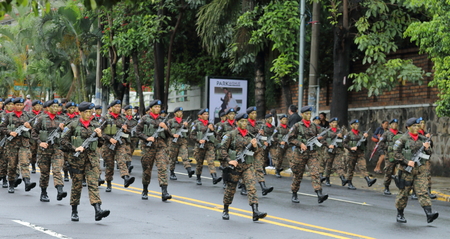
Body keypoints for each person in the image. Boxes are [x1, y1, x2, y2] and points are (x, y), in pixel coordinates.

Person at [60, 101, 110, 222]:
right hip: (77, 161)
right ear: (81, 112)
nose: (89, 114)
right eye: (87, 112)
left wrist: (99, 136)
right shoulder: (72, 125)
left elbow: (101, 144)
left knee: (93, 185)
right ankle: (74, 211)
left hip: (91, 160)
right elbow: (62, 141)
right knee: (77, 186)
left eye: (90, 112)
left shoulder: (95, 125)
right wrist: (74, 148)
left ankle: (98, 210)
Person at [220, 112, 267, 221]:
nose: (244, 123)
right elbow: (222, 149)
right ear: (237, 122)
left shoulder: (251, 136)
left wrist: (255, 146)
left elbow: (255, 153)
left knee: (252, 188)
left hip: (247, 166)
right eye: (242, 121)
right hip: (235, 167)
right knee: (230, 189)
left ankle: (255, 211)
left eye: (246, 121)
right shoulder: (231, 135)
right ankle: (225, 209)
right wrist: (229, 160)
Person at [393, 117, 438, 224]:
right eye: (414, 126)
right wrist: (406, 161)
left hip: (420, 170)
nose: (417, 128)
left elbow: (429, 154)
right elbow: (395, 153)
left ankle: (429, 214)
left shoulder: (423, 139)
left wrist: (427, 148)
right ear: (408, 127)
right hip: (406, 171)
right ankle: (400, 214)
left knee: (423, 192)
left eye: (418, 126)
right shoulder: (402, 139)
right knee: (404, 193)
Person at [287, 106, 328, 204]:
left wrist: (321, 138)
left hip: (312, 153)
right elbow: (290, 139)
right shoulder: (297, 126)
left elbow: (323, 135)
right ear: (302, 114)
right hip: (299, 154)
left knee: (315, 172)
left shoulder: (314, 126)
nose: (308, 115)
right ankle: (294, 193)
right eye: (306, 114)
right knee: (298, 175)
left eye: (310, 114)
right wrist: (300, 144)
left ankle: (319, 194)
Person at [136, 99, 172, 201]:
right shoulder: (144, 119)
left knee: (162, 168)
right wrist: (146, 138)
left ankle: (164, 192)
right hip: (148, 148)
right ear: (151, 108)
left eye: (159, 107)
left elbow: (170, 136)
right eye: (155, 107)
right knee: (147, 170)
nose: (157, 109)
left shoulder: (163, 120)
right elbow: (137, 132)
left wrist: (165, 128)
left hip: (160, 147)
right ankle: (145, 190)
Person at [32, 99, 67, 202]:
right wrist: (40, 142)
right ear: (47, 108)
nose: (56, 108)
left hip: (57, 149)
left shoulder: (62, 119)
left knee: (57, 170)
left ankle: (60, 190)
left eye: (57, 106)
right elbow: (33, 133)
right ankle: (43, 192)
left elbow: (67, 134)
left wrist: (63, 129)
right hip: (44, 149)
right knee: (44, 172)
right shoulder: (40, 119)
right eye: (53, 106)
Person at [0, 97, 37, 193]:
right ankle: (11, 184)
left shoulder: (27, 117)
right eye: (17, 105)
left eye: (21, 105)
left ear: (23, 106)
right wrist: (9, 132)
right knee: (12, 165)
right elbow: (2, 127)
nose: (19, 107)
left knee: (24, 163)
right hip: (11, 144)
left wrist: (29, 127)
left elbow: (34, 130)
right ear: (14, 106)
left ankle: (27, 182)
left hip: (24, 144)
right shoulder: (9, 116)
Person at [100, 100, 135, 192]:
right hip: (108, 145)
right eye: (115, 106)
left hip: (120, 144)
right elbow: (99, 131)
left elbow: (132, 131)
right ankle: (109, 183)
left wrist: (126, 129)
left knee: (122, 160)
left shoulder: (123, 119)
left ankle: (126, 177)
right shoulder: (105, 118)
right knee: (109, 164)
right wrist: (109, 138)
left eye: (119, 107)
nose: (117, 108)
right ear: (111, 108)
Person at [189, 108, 222, 186]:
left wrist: (213, 130)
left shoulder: (210, 124)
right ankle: (198, 177)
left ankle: (214, 177)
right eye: (204, 114)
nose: (206, 116)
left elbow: (217, 136)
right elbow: (191, 135)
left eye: (207, 114)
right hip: (200, 146)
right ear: (200, 115)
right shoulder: (196, 124)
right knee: (199, 163)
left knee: (211, 161)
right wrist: (198, 140)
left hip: (209, 145)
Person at [342, 119, 377, 189]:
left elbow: (365, 143)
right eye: (354, 124)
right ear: (351, 125)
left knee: (363, 167)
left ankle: (368, 180)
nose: (356, 126)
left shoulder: (361, 133)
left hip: (360, 153)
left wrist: (365, 138)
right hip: (351, 153)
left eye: (357, 124)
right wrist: (350, 148)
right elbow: (344, 143)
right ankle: (349, 183)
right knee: (350, 169)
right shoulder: (348, 134)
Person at [167, 107, 195, 180]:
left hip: (183, 142)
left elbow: (189, 133)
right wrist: (173, 135)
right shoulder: (170, 121)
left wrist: (186, 126)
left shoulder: (184, 122)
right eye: (178, 112)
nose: (180, 113)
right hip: (173, 142)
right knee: (173, 158)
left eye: (181, 112)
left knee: (185, 156)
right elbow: (166, 131)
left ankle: (189, 170)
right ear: (175, 113)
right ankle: (172, 172)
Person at [378, 118, 402, 195]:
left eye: (396, 124)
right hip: (389, 156)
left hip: (399, 156)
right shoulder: (386, 133)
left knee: (401, 172)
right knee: (389, 171)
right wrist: (388, 147)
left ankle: (401, 187)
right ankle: (386, 187)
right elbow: (380, 143)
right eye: (393, 124)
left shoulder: (400, 134)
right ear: (391, 125)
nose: (395, 125)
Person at [321, 117, 346, 187]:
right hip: (329, 150)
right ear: (330, 124)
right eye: (333, 122)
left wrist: (341, 137)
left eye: (336, 122)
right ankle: (327, 179)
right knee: (328, 165)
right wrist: (328, 145)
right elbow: (322, 140)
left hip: (338, 150)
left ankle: (343, 178)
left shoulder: (339, 131)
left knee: (339, 164)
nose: (335, 124)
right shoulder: (327, 131)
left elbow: (344, 141)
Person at [416, 118, 436, 199]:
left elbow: (431, 146)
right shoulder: (416, 134)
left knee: (427, 175)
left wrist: (429, 139)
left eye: (424, 123)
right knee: (415, 174)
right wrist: (424, 137)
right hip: (417, 157)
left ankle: (428, 191)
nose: (423, 125)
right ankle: (414, 192)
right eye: (421, 123)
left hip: (425, 157)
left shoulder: (426, 134)